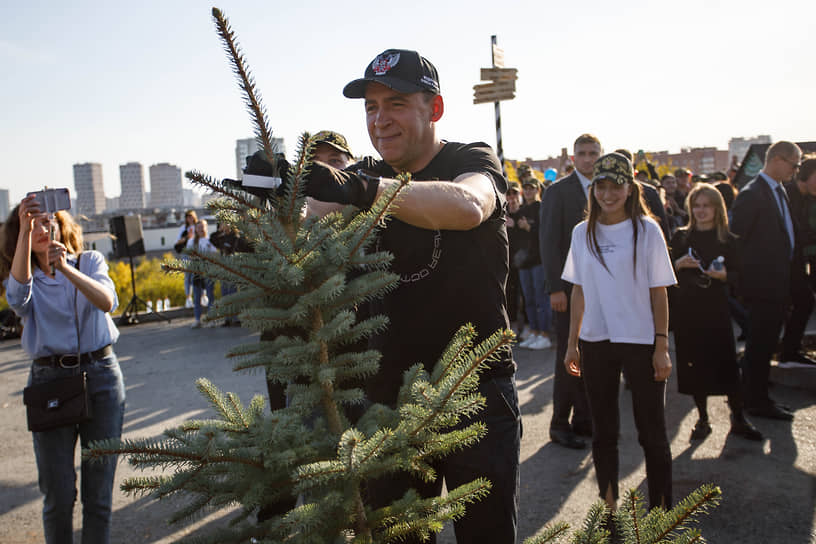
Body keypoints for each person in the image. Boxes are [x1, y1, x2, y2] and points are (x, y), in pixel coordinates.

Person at [303, 48, 520, 543]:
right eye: (371, 107)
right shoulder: (364, 173)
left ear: (434, 109)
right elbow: (305, 221)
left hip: (475, 393)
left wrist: (363, 190)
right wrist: (275, 189)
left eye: (396, 103)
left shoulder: (470, 159)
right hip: (387, 404)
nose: (380, 120)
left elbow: (468, 206)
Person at [0, 196, 125, 543]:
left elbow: (107, 302)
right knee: (57, 496)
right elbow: (16, 300)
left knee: (98, 497)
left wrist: (67, 268)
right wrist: (26, 232)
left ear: (60, 225)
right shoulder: (25, 277)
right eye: (31, 223)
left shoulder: (90, 260)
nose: (40, 228)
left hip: (100, 374)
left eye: (46, 221)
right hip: (49, 381)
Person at [562, 152, 675, 512]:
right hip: (596, 343)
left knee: (652, 432)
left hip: (641, 342)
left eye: (616, 186)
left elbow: (659, 292)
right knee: (604, 432)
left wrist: (662, 345)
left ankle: (660, 512)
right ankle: (609, 508)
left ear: (630, 188)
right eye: (601, 187)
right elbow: (578, 291)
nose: (608, 194)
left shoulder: (647, 230)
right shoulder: (582, 232)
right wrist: (572, 344)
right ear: (593, 189)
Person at [670, 184, 762, 441]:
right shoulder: (680, 237)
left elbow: (741, 276)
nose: (701, 211)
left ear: (717, 208)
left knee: (726, 363)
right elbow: (663, 272)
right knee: (694, 365)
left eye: (706, 206)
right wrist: (678, 264)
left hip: (716, 309)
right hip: (688, 309)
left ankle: (738, 416)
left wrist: (724, 275)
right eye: (696, 206)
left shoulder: (729, 240)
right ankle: (703, 418)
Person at [730, 141, 807, 420]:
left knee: (765, 344)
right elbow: (736, 241)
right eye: (794, 165)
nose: (796, 171)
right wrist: (745, 284)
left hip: (778, 284)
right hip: (762, 287)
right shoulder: (752, 194)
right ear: (776, 159)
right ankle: (755, 401)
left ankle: (758, 396)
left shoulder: (779, 191)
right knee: (759, 346)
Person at [538, 134, 598, 450]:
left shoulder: (606, 191)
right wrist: (555, 289)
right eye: (582, 154)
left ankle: (584, 420)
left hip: (599, 292)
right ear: (573, 158)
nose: (588, 159)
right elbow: (548, 243)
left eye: (593, 153)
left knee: (592, 356)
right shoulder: (558, 192)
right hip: (568, 290)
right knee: (569, 357)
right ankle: (559, 423)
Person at [780, 155, 816, 364]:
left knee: (804, 302)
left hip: (800, 260)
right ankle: (789, 350)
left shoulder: (806, 198)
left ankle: (791, 348)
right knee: (803, 301)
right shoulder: (788, 194)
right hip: (786, 262)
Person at [516, 176, 552, 350]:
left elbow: (546, 232)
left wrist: (529, 228)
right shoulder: (522, 209)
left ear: (538, 190)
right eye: (526, 188)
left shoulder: (542, 208)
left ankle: (545, 334)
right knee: (529, 300)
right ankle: (535, 332)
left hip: (539, 261)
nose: (529, 191)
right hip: (524, 262)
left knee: (541, 299)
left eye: (532, 188)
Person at [186, 219, 217, 329]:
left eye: (202, 227)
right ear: (195, 229)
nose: (200, 229)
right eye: (198, 227)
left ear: (206, 228)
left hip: (208, 271)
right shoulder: (191, 241)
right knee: (197, 296)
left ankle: (211, 319)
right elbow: (189, 255)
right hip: (197, 271)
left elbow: (215, 254)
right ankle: (198, 319)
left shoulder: (210, 240)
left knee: (210, 295)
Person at [175, 210, 198, 308]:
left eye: (191, 216)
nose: (190, 219)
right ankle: (188, 298)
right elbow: (177, 242)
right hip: (186, 254)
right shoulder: (183, 228)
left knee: (197, 276)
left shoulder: (198, 226)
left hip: (197, 253)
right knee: (187, 276)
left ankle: (201, 296)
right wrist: (186, 237)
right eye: (188, 217)